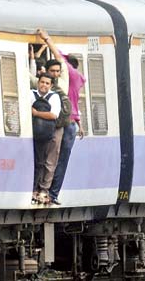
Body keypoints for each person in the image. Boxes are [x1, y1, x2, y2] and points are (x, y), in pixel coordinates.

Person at [49, 52, 86, 205]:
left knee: (53, 158)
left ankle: (50, 192)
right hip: (71, 121)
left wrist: (47, 40)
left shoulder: (70, 76)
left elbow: (62, 61)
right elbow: (75, 103)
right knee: (61, 159)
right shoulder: (78, 80)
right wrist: (80, 123)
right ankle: (53, 193)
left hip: (63, 123)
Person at [32, 74, 62, 204]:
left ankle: (42, 189)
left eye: (47, 83)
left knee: (45, 162)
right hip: (32, 133)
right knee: (36, 161)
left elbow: (53, 115)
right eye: (42, 82)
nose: (44, 85)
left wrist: (37, 113)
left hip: (47, 134)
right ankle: (33, 188)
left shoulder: (54, 97)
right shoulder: (31, 94)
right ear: (38, 83)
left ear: (51, 85)